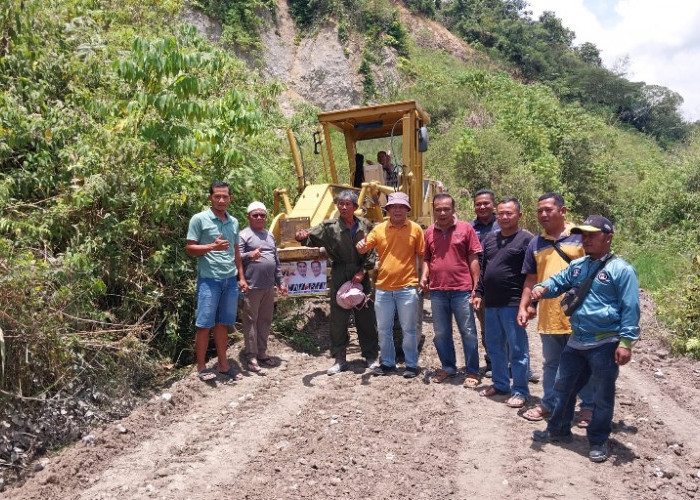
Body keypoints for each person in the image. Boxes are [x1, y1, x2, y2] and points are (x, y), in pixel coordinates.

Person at [531, 215, 640, 463]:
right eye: (584, 235)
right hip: (577, 339)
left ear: (608, 237)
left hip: (604, 342)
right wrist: (543, 287)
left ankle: (598, 440)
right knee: (563, 386)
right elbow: (559, 281)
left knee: (602, 394)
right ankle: (558, 429)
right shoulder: (579, 265)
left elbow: (630, 307)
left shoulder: (621, 270)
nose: (586, 239)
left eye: (593, 235)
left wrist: (626, 342)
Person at [517, 193, 594, 424]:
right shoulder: (536, 242)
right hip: (549, 316)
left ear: (563, 211)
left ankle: (588, 407)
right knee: (551, 364)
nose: (543, 214)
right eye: (539, 211)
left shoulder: (581, 238)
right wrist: (526, 305)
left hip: (580, 316)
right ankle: (550, 404)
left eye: (548, 209)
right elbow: (531, 279)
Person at [295, 190, 379, 375]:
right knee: (338, 319)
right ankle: (340, 359)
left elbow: (373, 249)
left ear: (355, 207)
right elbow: (310, 236)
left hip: (361, 272)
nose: (343, 207)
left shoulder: (365, 225)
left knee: (365, 316)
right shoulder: (329, 226)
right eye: (340, 204)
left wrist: (363, 271)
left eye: (348, 204)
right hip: (340, 271)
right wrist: (301, 236)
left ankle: (371, 357)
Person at [357, 191, 425, 379]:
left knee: (409, 329)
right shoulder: (379, 230)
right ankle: (387, 363)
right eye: (393, 207)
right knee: (384, 329)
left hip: (407, 288)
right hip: (383, 289)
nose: (397, 210)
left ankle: (411, 364)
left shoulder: (416, 229)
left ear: (407, 209)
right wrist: (361, 246)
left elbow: (422, 256)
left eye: (401, 207)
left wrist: (423, 277)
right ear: (388, 210)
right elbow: (365, 246)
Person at [474, 198, 534, 408]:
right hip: (491, 303)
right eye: (501, 214)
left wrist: (529, 304)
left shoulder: (527, 240)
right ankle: (500, 384)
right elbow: (483, 268)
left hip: (513, 303)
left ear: (519, 215)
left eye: (509, 213)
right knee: (495, 346)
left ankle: (520, 390)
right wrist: (479, 292)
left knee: (517, 349)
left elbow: (533, 275)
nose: (504, 217)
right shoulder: (490, 238)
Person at [186, 181, 248, 382]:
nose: (221, 200)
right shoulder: (199, 219)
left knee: (223, 324)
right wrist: (212, 246)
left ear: (231, 198)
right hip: (209, 280)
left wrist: (241, 277)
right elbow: (190, 248)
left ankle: (223, 364)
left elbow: (236, 252)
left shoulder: (234, 222)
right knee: (204, 324)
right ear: (210, 197)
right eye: (217, 196)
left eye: (225, 196)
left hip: (229, 280)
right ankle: (202, 367)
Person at [419, 193, 482, 385]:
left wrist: (476, 287)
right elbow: (427, 258)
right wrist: (424, 276)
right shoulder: (429, 231)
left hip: (462, 289)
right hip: (437, 291)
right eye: (438, 209)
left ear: (453, 209)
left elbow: (473, 258)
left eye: (446, 208)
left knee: (468, 331)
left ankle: (472, 371)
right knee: (441, 332)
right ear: (433, 210)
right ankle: (448, 367)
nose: (442, 212)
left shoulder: (466, 229)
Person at [239, 201, 287, 373]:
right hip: (252, 286)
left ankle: (262, 352)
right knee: (250, 321)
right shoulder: (244, 235)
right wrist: (249, 255)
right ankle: (251, 355)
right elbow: (236, 258)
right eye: (255, 215)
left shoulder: (269, 236)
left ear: (266, 217)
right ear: (249, 217)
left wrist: (280, 282)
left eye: (262, 215)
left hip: (268, 287)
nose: (259, 217)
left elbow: (276, 262)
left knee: (265, 320)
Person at [470, 189, 500, 376]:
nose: (482, 207)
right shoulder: (470, 229)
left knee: (510, 326)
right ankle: (492, 362)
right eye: (478, 204)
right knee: (487, 326)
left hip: (505, 285)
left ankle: (518, 365)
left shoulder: (504, 224)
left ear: (493, 205)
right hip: (481, 286)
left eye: (486, 203)